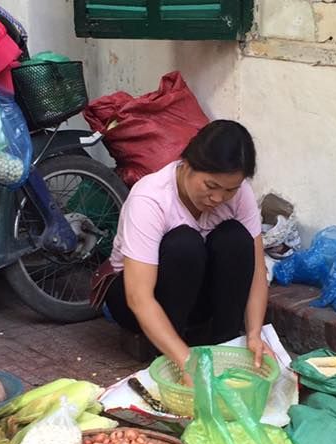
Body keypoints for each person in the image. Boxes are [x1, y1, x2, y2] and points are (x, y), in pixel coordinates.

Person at [102, 120, 273, 380]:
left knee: (236, 239)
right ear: (188, 165)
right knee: (184, 244)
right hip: (136, 299)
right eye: (210, 186)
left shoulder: (240, 195)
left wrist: (254, 334)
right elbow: (139, 297)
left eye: (230, 190)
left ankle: (225, 345)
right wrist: (186, 361)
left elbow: (257, 272)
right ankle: (170, 354)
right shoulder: (150, 198)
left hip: (196, 297)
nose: (218, 198)